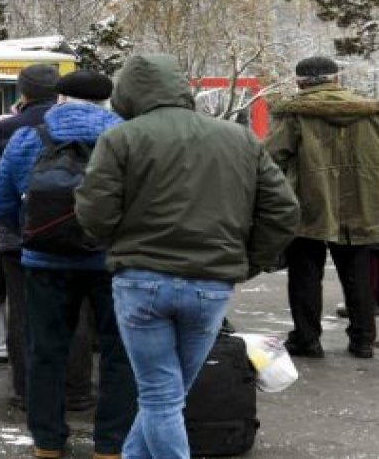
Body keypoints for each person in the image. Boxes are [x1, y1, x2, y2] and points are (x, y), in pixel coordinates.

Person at [77, 54, 299, 459]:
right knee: (167, 394)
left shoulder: (122, 138)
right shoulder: (239, 138)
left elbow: (94, 211)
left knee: (161, 396)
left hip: (141, 279)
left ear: (127, 94)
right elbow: (284, 211)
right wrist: (249, 261)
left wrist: (120, 243)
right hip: (209, 283)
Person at [0, 70, 136, 459]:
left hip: (45, 261)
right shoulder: (127, 138)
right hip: (112, 261)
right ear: (108, 100)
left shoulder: (26, 137)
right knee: (119, 352)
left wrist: (27, 231)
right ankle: (111, 444)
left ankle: (48, 441)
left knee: (46, 351)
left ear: (60, 99)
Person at [0, 64, 94, 396]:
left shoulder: (5, 128)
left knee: (24, 314)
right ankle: (77, 387)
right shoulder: (83, 125)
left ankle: (29, 390)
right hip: (82, 235)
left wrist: (16, 226)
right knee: (77, 312)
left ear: (21, 91)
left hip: (22, 239)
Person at [265, 55, 379, 360]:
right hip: (361, 204)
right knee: (358, 272)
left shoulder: (293, 115)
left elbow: (270, 158)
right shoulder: (370, 114)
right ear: (336, 79)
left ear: (300, 82)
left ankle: (307, 340)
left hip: (308, 205)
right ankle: (363, 341)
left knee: (305, 273)